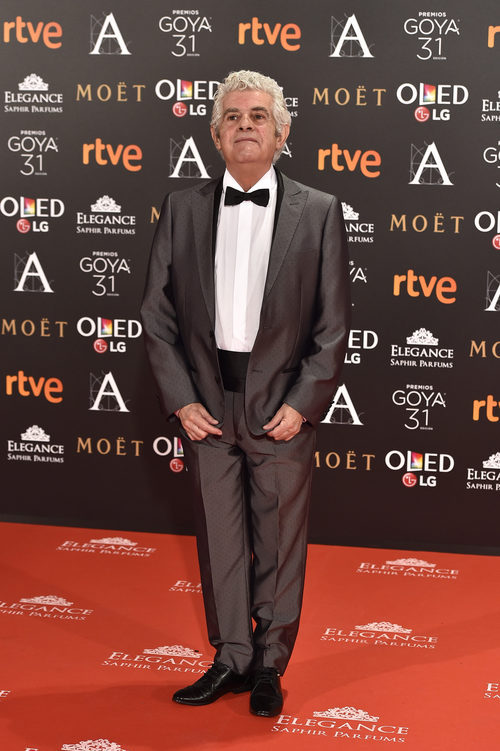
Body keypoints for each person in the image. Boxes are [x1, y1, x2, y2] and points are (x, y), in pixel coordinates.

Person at [141, 69, 350, 717]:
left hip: (282, 405)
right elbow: (157, 314)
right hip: (206, 406)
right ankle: (231, 656)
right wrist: (181, 399)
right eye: (232, 117)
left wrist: (303, 402)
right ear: (215, 135)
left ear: (282, 133)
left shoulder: (319, 211)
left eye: (259, 116)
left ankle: (269, 663)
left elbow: (333, 324)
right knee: (221, 540)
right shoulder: (181, 207)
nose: (245, 126)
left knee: (280, 541)